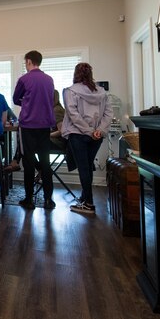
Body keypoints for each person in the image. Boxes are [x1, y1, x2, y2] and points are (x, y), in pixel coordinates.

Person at [61, 62, 112, 214]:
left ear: (75, 74)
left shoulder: (70, 91)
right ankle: (85, 197)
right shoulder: (102, 92)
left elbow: (73, 115)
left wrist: (89, 131)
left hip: (79, 134)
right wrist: (99, 130)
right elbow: (108, 114)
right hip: (96, 136)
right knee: (88, 166)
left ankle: (88, 203)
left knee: (84, 167)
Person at [12, 50, 57, 209]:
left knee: (29, 162)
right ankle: (48, 200)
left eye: (25, 62)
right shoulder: (49, 79)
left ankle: (29, 199)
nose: (26, 65)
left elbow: (15, 99)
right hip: (45, 125)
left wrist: (26, 101)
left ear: (29, 61)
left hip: (28, 125)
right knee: (45, 162)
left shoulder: (24, 79)